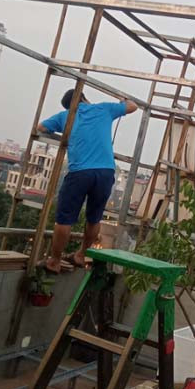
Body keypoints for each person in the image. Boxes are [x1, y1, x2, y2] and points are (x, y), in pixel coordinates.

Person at [38, 89, 137, 272]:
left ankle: (55, 261)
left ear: (68, 106)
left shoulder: (66, 116)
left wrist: (65, 132)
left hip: (79, 172)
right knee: (94, 218)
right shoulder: (104, 109)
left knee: (64, 220)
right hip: (105, 172)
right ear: (84, 97)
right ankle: (81, 254)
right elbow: (132, 106)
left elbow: (41, 128)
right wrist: (122, 98)